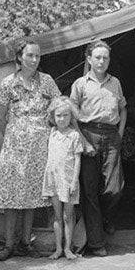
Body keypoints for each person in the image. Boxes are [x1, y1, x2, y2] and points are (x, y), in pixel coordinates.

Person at [0, 41, 60, 261]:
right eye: (30, 55)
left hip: (39, 148)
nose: (34, 60)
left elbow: (59, 106)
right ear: (20, 57)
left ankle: (25, 243)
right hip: (14, 148)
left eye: (38, 56)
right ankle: (9, 244)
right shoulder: (8, 83)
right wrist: (16, 136)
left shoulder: (47, 81)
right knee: (12, 195)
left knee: (31, 197)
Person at [69, 40, 126, 257]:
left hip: (111, 135)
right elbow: (72, 114)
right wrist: (82, 140)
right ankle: (96, 242)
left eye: (106, 57)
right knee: (90, 190)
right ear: (89, 59)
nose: (102, 61)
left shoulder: (115, 83)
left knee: (115, 188)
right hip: (87, 132)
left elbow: (123, 109)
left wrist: (119, 135)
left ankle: (105, 218)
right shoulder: (80, 84)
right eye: (98, 57)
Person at [42, 97, 91, 260]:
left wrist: (74, 181)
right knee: (57, 215)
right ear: (53, 117)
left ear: (71, 116)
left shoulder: (74, 136)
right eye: (58, 116)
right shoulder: (52, 133)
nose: (62, 119)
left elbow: (78, 159)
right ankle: (57, 249)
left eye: (65, 115)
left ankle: (68, 248)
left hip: (68, 180)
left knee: (68, 215)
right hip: (54, 180)